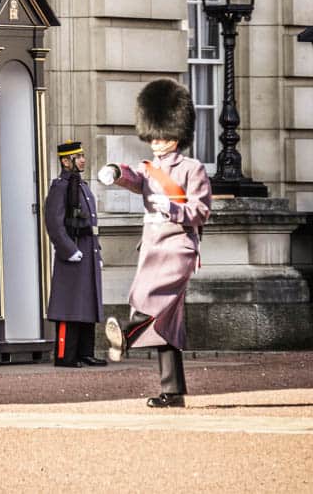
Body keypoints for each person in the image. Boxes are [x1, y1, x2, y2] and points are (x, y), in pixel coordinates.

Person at [98, 78, 211, 407]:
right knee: (165, 319)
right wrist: (115, 171)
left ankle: (128, 336)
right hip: (152, 246)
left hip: (178, 249)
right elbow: (133, 177)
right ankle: (172, 391)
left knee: (151, 299)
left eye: (163, 136)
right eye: (154, 136)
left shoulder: (193, 169)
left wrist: (172, 208)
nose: (158, 142)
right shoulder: (149, 169)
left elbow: (200, 211)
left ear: (177, 135)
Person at [44, 140, 106, 368]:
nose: (82, 159)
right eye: (77, 156)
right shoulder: (60, 187)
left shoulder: (82, 186)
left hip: (88, 250)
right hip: (73, 252)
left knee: (87, 304)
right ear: (65, 161)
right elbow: (54, 223)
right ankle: (65, 354)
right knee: (69, 305)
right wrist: (68, 249)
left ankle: (84, 352)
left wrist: (96, 253)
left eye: (82, 155)